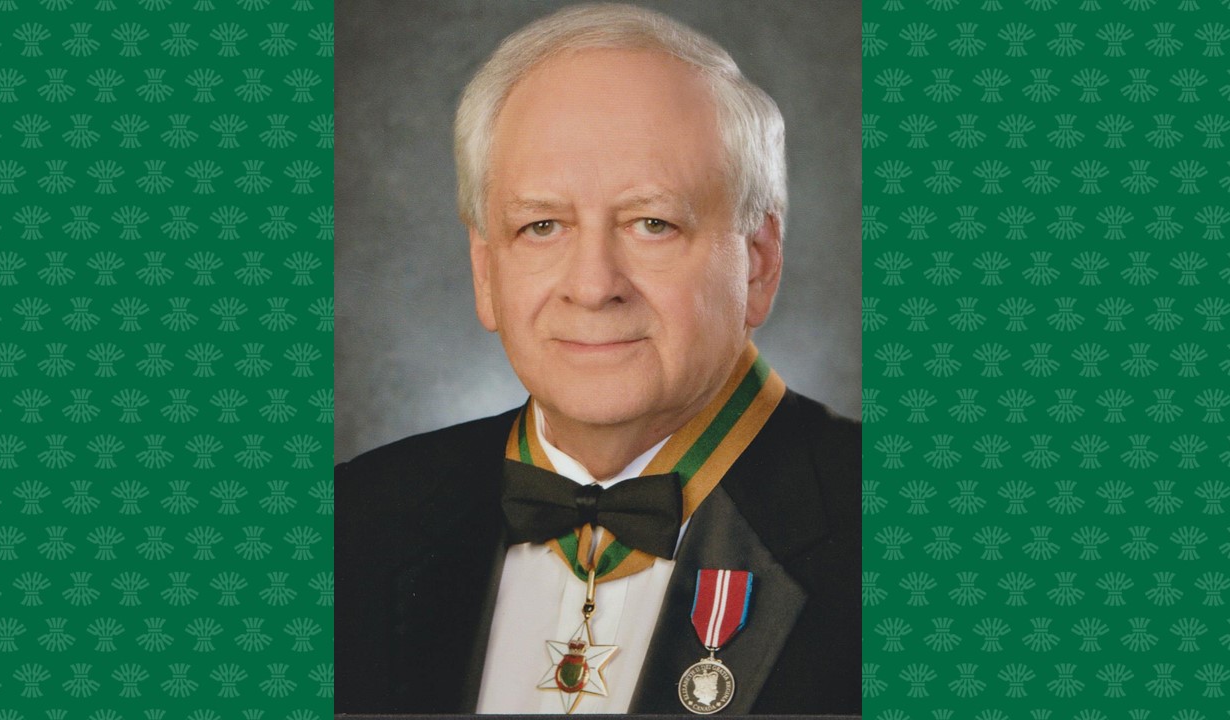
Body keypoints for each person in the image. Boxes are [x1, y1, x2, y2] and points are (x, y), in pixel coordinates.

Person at [335, 3, 861, 715]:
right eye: (541, 225)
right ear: (486, 271)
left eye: (653, 223)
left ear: (758, 262)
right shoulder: (352, 524)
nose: (593, 286)